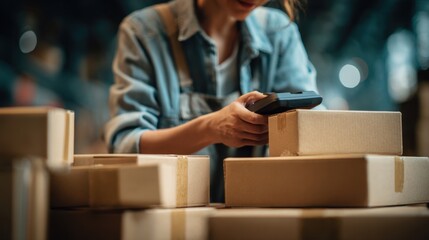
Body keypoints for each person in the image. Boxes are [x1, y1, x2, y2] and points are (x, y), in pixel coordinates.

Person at [105, 0, 320, 202]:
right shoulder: (145, 32)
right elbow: (126, 148)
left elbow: (311, 132)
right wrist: (211, 128)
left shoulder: (279, 33)